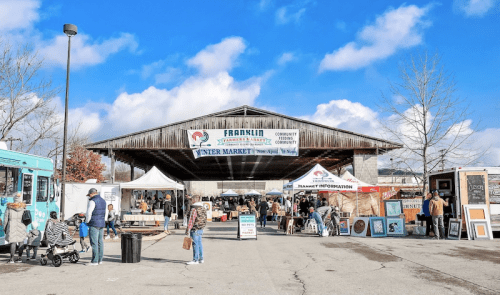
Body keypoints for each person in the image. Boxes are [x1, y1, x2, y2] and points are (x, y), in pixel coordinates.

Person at [85, 188, 106, 266]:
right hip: (102, 223)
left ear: (91, 194)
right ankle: (100, 260)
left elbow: (89, 213)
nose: (89, 196)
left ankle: (94, 261)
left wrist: (87, 222)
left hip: (94, 223)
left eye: (89, 195)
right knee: (100, 242)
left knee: (94, 243)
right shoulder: (103, 201)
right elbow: (105, 213)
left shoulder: (92, 201)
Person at [4, 193, 27, 263]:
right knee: (21, 242)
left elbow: (5, 219)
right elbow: (26, 218)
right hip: (22, 226)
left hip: (12, 226)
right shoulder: (24, 207)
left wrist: (5, 228)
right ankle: (19, 258)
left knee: (13, 242)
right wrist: (25, 227)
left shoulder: (9, 207)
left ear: (14, 199)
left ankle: (12, 259)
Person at [185, 197, 207, 265]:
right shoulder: (203, 208)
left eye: (191, 200)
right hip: (201, 228)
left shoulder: (194, 209)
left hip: (195, 229)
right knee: (199, 243)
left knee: (195, 244)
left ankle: (195, 259)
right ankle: (201, 258)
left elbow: (191, 220)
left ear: (194, 200)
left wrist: (188, 229)